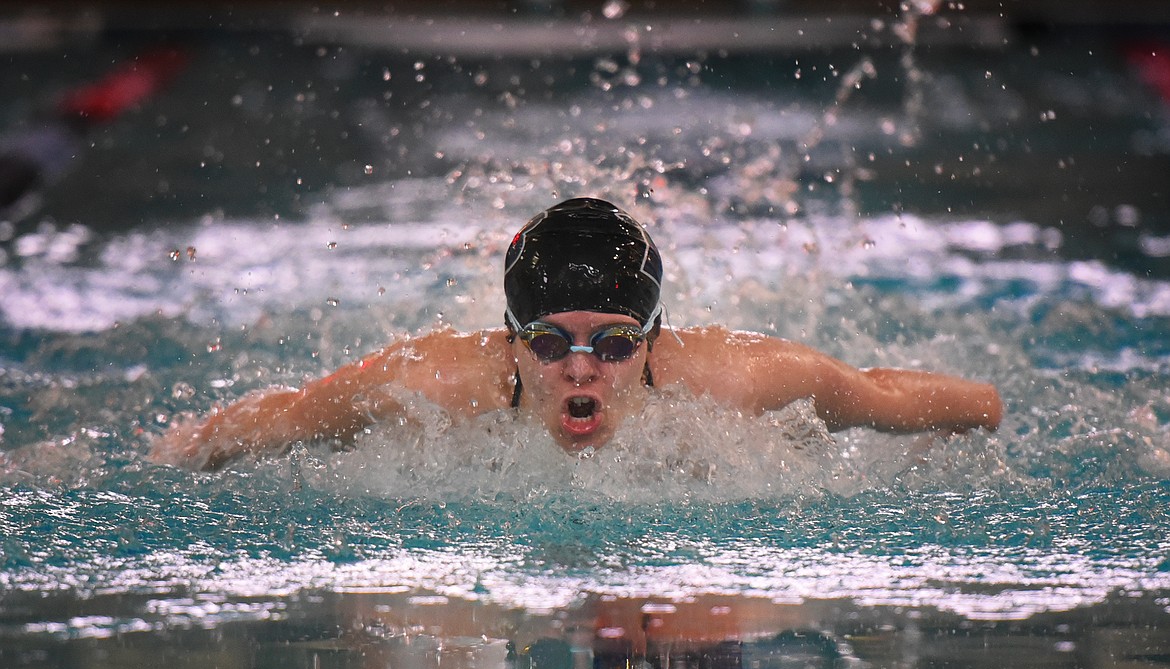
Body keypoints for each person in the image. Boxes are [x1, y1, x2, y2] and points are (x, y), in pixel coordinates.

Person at [151, 197, 1003, 471]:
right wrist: (175, 453)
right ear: (513, 340)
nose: (583, 370)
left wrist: (987, 411)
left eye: (618, 341)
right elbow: (294, 415)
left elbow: (880, 394)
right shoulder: (439, 382)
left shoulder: (734, 380)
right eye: (552, 343)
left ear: (657, 340)